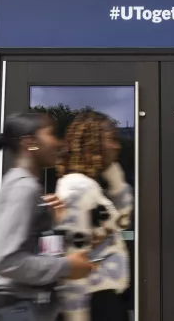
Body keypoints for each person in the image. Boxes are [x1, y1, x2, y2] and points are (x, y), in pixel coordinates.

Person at [0, 112, 95, 320]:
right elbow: (4, 260)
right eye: (51, 134)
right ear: (30, 143)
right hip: (21, 308)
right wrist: (67, 266)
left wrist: (53, 222)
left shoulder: (27, 186)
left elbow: (30, 248)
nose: (59, 143)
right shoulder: (22, 188)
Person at [54, 111, 134, 321]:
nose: (117, 146)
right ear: (93, 143)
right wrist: (77, 316)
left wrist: (114, 175)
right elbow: (74, 261)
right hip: (93, 303)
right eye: (112, 139)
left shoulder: (89, 187)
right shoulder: (77, 189)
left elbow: (124, 221)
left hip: (103, 299)